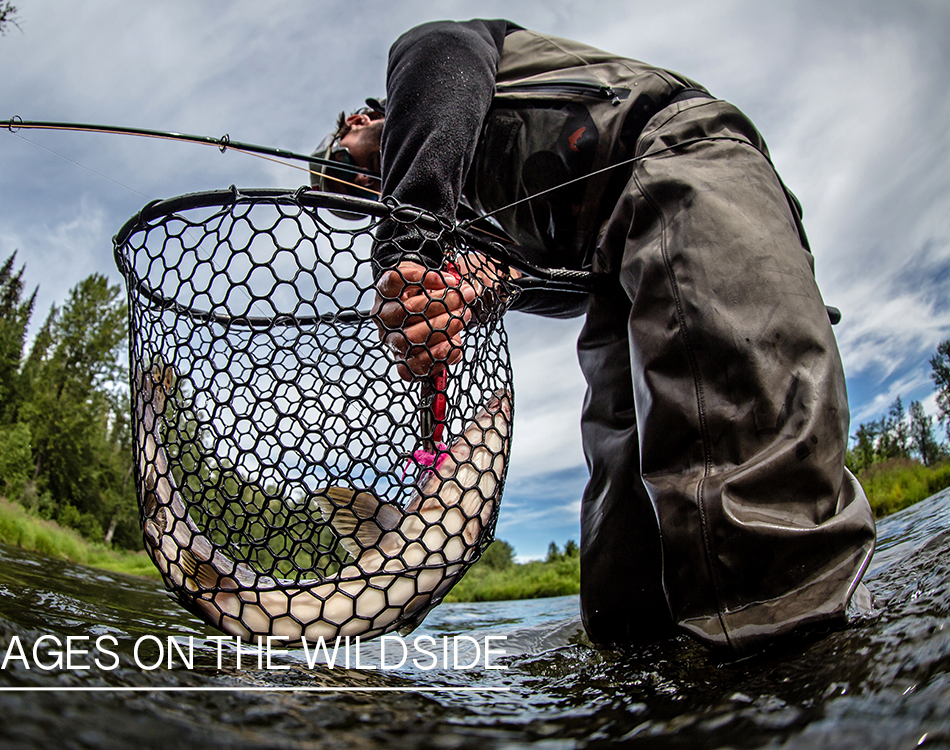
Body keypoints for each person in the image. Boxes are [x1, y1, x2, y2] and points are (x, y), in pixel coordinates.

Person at [311, 19, 876, 655]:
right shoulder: (460, 203)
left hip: (677, 162)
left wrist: (409, 240)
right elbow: (559, 286)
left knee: (759, 535)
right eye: (350, 205)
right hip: (615, 275)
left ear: (358, 120)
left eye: (342, 168)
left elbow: (439, 57)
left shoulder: (426, 65)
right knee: (625, 589)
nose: (362, 193)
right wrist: (484, 283)